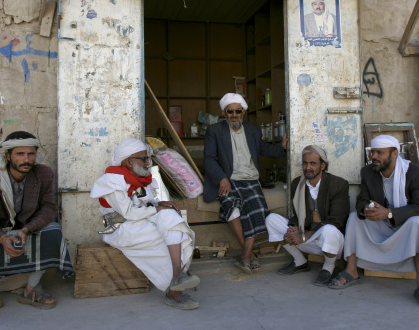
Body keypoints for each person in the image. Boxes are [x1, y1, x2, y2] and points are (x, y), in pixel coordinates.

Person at [0, 131, 75, 324]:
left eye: (31, 154)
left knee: (54, 231)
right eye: (20, 154)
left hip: (26, 230)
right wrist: (1, 237)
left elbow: (49, 208)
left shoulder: (43, 173)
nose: (26, 160)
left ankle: (30, 290)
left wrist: (26, 230)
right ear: (8, 156)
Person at [329, 135, 419, 309]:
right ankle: (351, 271)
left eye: (380, 153)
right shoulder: (368, 172)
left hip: (405, 227)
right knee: (354, 218)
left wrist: (388, 213)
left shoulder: (416, 173)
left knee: (418, 222)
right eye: (373, 152)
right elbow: (361, 200)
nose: (374, 156)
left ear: (394, 154)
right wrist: (366, 209)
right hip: (382, 224)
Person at [90, 138, 200, 310]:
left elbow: (145, 206)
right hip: (122, 229)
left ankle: (177, 278)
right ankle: (175, 290)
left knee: (174, 223)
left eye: (147, 158)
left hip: (141, 223)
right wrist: (156, 209)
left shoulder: (142, 178)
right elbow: (129, 213)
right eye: (143, 159)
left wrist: (159, 206)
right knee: (173, 236)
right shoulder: (111, 181)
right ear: (128, 161)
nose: (148, 163)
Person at [203, 93, 288, 273]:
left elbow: (264, 149)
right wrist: (222, 178)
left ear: (244, 112)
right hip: (229, 179)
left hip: (250, 179)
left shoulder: (253, 130)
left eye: (238, 111)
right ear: (224, 112)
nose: (234, 115)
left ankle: (246, 255)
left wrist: (281, 147)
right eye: (230, 111)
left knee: (258, 211)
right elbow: (209, 159)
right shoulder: (215, 131)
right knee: (231, 208)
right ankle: (250, 255)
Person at [266, 145, 350, 286]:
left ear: (322, 166)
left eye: (313, 163)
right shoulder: (297, 184)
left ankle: (329, 267)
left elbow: (337, 221)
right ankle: (300, 262)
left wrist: (303, 236)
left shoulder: (338, 184)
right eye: (305, 163)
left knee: (330, 230)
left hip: (331, 243)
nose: (307, 167)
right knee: (271, 220)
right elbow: (297, 216)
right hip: (307, 239)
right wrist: (293, 229)